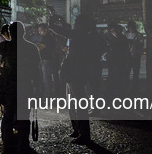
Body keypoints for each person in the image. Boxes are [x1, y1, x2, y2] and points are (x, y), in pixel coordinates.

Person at [0, 22, 42, 152]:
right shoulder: (31, 47)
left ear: (10, 33)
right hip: (25, 85)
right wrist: (39, 86)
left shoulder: (5, 45)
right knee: (24, 115)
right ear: (24, 32)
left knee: (8, 114)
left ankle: (7, 141)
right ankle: (23, 142)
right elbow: (36, 70)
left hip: (9, 84)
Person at [50, 14, 104, 144]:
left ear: (80, 25)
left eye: (76, 22)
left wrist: (52, 25)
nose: (74, 24)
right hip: (77, 73)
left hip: (75, 73)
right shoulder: (88, 35)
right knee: (74, 102)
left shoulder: (80, 35)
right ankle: (78, 130)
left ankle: (83, 133)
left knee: (78, 103)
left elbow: (64, 31)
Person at [106, 22, 130, 99]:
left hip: (118, 63)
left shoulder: (119, 40)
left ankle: (117, 95)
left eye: (113, 32)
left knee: (117, 79)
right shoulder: (120, 39)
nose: (113, 33)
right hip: (116, 63)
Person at [36, 23, 58, 98]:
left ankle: (47, 95)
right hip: (45, 59)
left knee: (46, 79)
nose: (40, 32)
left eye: (41, 30)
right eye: (39, 31)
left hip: (47, 60)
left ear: (46, 30)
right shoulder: (46, 37)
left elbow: (40, 47)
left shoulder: (47, 37)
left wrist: (36, 44)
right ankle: (46, 95)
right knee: (45, 79)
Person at [126, 20, 145, 94]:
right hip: (130, 55)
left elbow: (141, 45)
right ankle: (130, 87)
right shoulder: (127, 34)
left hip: (135, 55)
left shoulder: (138, 35)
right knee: (129, 72)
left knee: (135, 73)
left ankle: (134, 87)